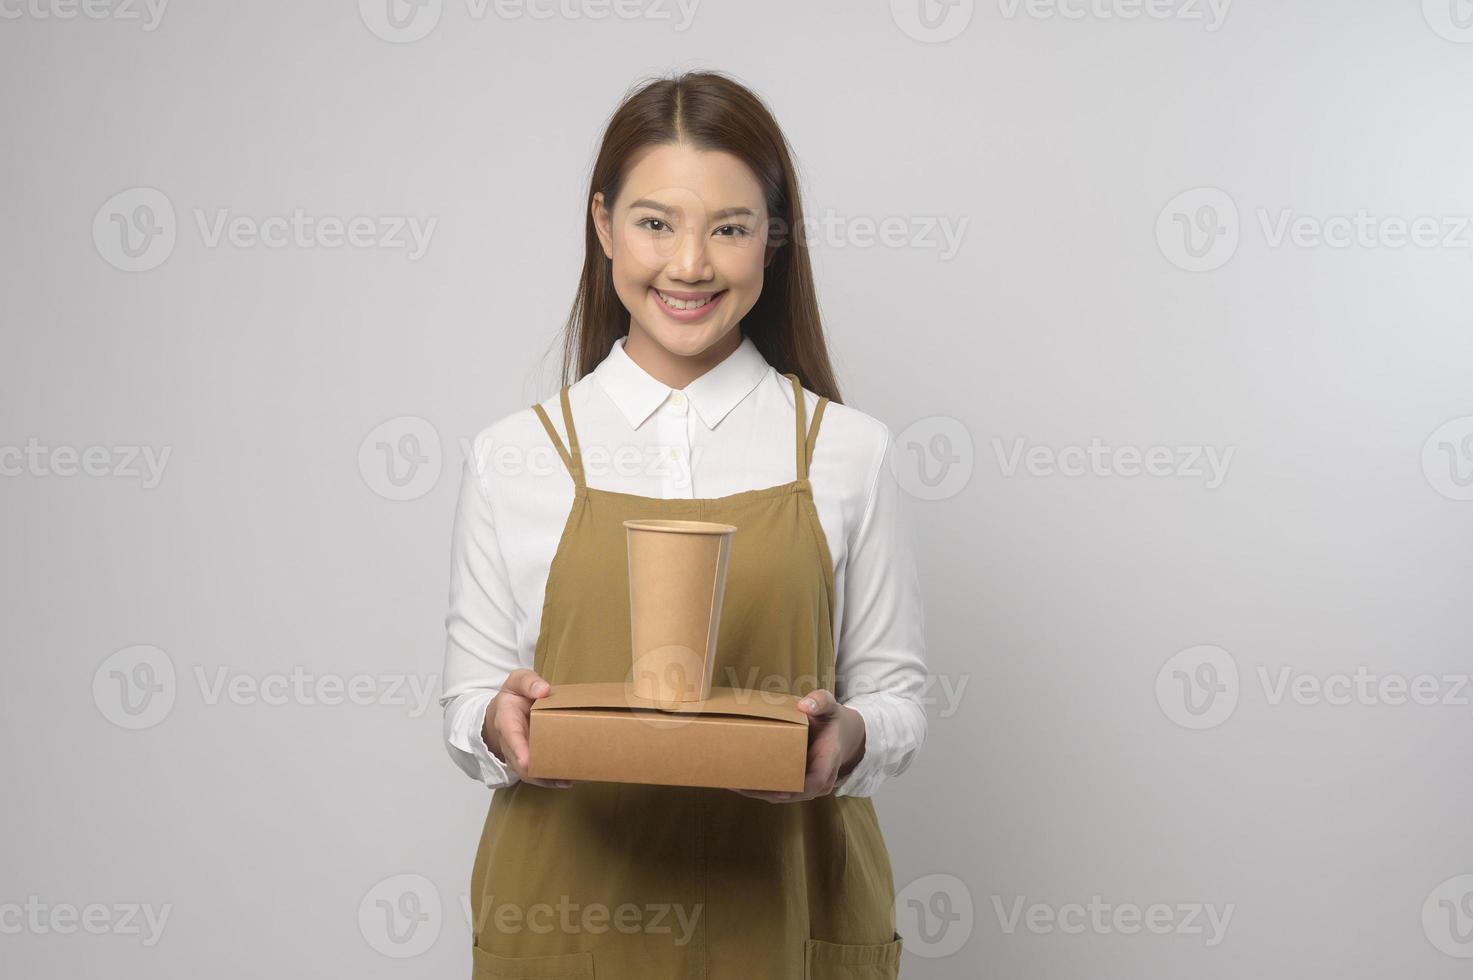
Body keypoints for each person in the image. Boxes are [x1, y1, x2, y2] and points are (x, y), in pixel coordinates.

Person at [439, 69, 928, 980]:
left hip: (787, 906)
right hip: (567, 910)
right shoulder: (514, 455)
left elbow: (896, 696)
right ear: (603, 227)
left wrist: (847, 738)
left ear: (772, 244)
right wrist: (497, 728)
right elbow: (467, 700)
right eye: (655, 222)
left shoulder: (848, 451)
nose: (690, 264)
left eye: (730, 229)